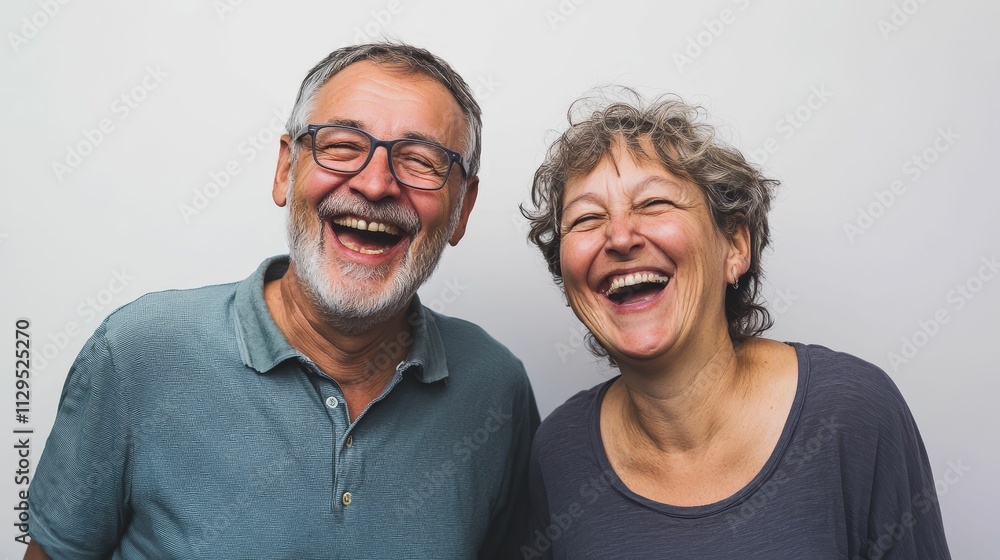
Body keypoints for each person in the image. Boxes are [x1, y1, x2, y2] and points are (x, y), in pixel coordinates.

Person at [26, 43, 539, 559]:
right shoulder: (139, 353)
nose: (376, 183)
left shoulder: (495, 387)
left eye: (421, 160)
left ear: (463, 209)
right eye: (342, 145)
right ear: (285, 169)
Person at [519, 93, 950, 559]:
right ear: (567, 278)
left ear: (735, 246)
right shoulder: (558, 453)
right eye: (586, 218)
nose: (620, 236)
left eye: (655, 203)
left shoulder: (854, 412)